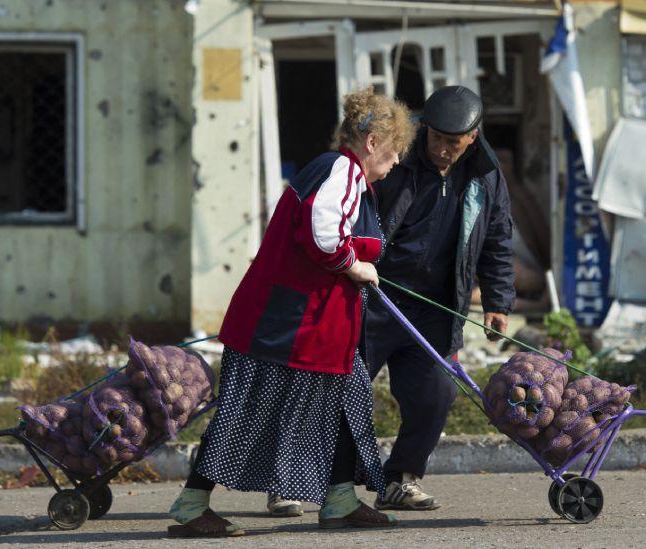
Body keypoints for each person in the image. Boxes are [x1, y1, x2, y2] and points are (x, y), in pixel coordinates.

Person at [166, 87, 416, 537]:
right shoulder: (339, 170)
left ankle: (339, 500)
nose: (396, 162)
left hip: (318, 332)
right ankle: (190, 505)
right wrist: (355, 266)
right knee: (246, 413)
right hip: (287, 328)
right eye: (395, 151)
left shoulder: (345, 176)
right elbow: (324, 236)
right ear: (373, 142)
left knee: (344, 408)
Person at [365, 85, 515, 511]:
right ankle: (296, 481)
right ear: (424, 129)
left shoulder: (485, 175)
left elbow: (498, 240)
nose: (444, 150)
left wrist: (497, 303)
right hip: (376, 296)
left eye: (454, 142)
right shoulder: (396, 160)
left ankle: (401, 479)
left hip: (438, 307)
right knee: (338, 389)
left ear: (473, 136)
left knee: (436, 394)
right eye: (436, 139)